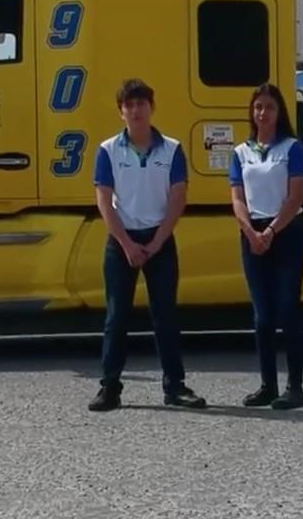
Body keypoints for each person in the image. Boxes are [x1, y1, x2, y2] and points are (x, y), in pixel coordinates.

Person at [89, 78, 207, 412]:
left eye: (141, 104)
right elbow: (103, 199)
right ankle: (109, 387)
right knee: (116, 317)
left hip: (160, 239)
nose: (135, 110)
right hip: (121, 241)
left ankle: (175, 387)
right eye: (129, 105)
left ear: (151, 108)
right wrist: (126, 244)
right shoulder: (108, 150)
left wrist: (156, 242)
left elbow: (178, 197)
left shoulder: (171, 149)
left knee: (166, 316)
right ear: (121, 111)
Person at [228, 83, 303, 410]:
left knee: (287, 309)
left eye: (270, 107)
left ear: (279, 113)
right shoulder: (240, 153)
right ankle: (268, 385)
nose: (263, 113)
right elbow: (237, 197)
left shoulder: (292, 148)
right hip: (253, 235)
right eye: (258, 107)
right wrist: (250, 231)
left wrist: (272, 231)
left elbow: (296, 196)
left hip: (287, 232)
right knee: (262, 317)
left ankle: (295, 386)